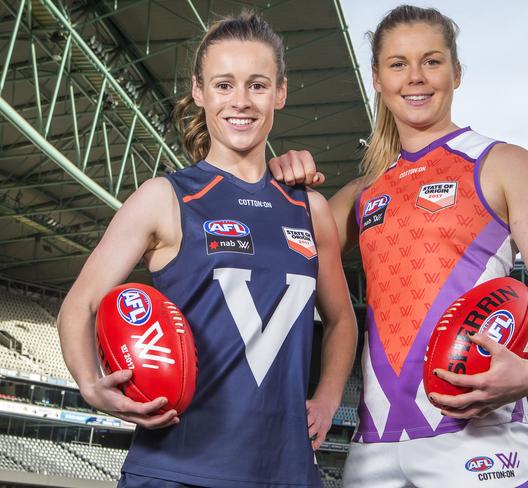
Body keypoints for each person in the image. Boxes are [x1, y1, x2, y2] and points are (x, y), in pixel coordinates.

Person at [268, 5, 528, 487]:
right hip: (373, 442)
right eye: (398, 64)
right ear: (377, 78)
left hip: (476, 439)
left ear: (456, 72)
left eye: (431, 61)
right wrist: (282, 181)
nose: (415, 77)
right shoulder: (363, 191)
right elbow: (275, 250)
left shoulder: (505, 164)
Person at [56, 11, 357, 488]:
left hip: (288, 473)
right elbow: (81, 304)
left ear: (280, 92)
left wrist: (327, 396)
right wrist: (91, 385)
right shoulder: (164, 197)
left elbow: (341, 319)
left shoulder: (309, 208)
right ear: (199, 91)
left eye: (257, 85)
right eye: (223, 85)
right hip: (177, 470)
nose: (241, 102)